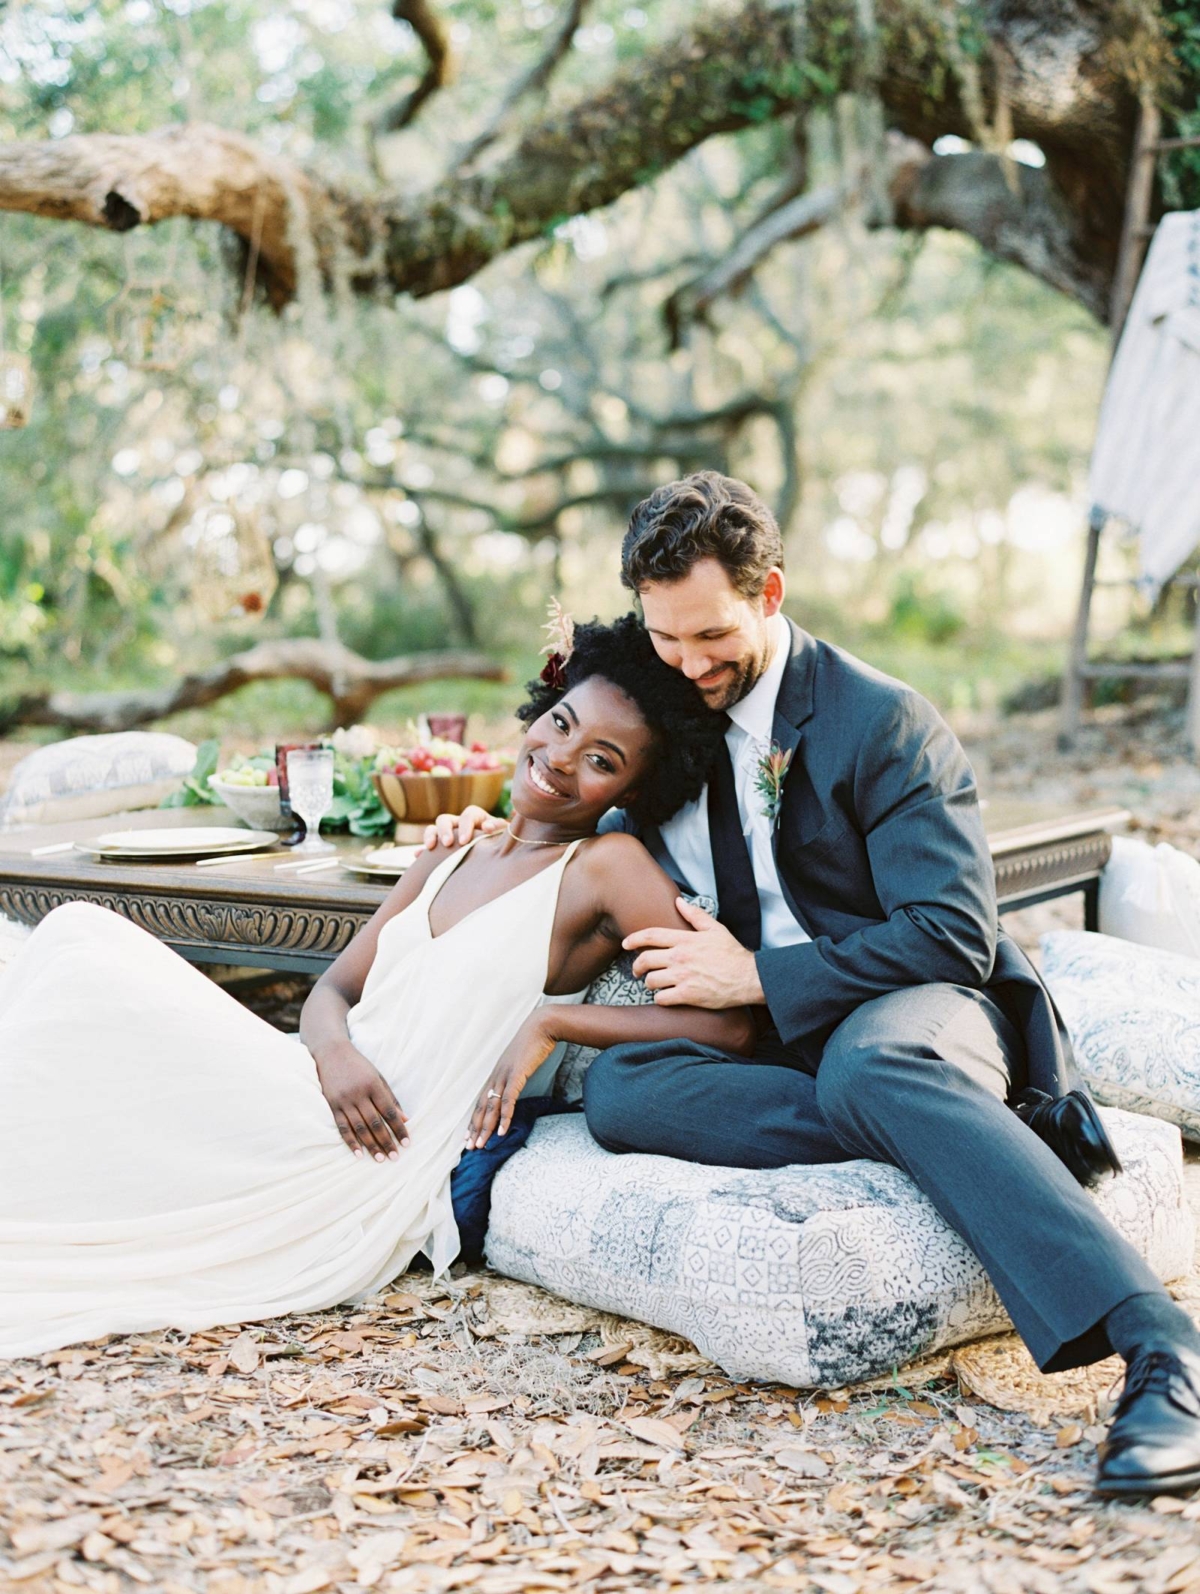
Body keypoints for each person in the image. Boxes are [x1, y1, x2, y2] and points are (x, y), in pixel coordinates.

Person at [430, 471, 1200, 1499]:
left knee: (873, 1065)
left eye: (712, 636)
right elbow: (582, 812)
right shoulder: (672, 713)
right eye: (666, 638)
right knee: (623, 1090)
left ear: (772, 594)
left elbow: (953, 934)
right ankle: (959, 1132)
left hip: (917, 1003)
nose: (690, 664)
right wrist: (487, 834)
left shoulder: (880, 722)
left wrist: (758, 974)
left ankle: (1163, 1351)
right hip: (775, 1038)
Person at [0, 616, 749, 1360]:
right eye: (560, 723)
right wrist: (333, 1056)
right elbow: (332, 990)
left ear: (634, 788)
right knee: (69, 945)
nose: (559, 757)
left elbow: (730, 1028)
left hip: (376, 1150)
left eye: (602, 759)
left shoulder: (605, 866)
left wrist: (556, 1023)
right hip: (315, 1082)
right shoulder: (452, 850)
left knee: (78, 950)